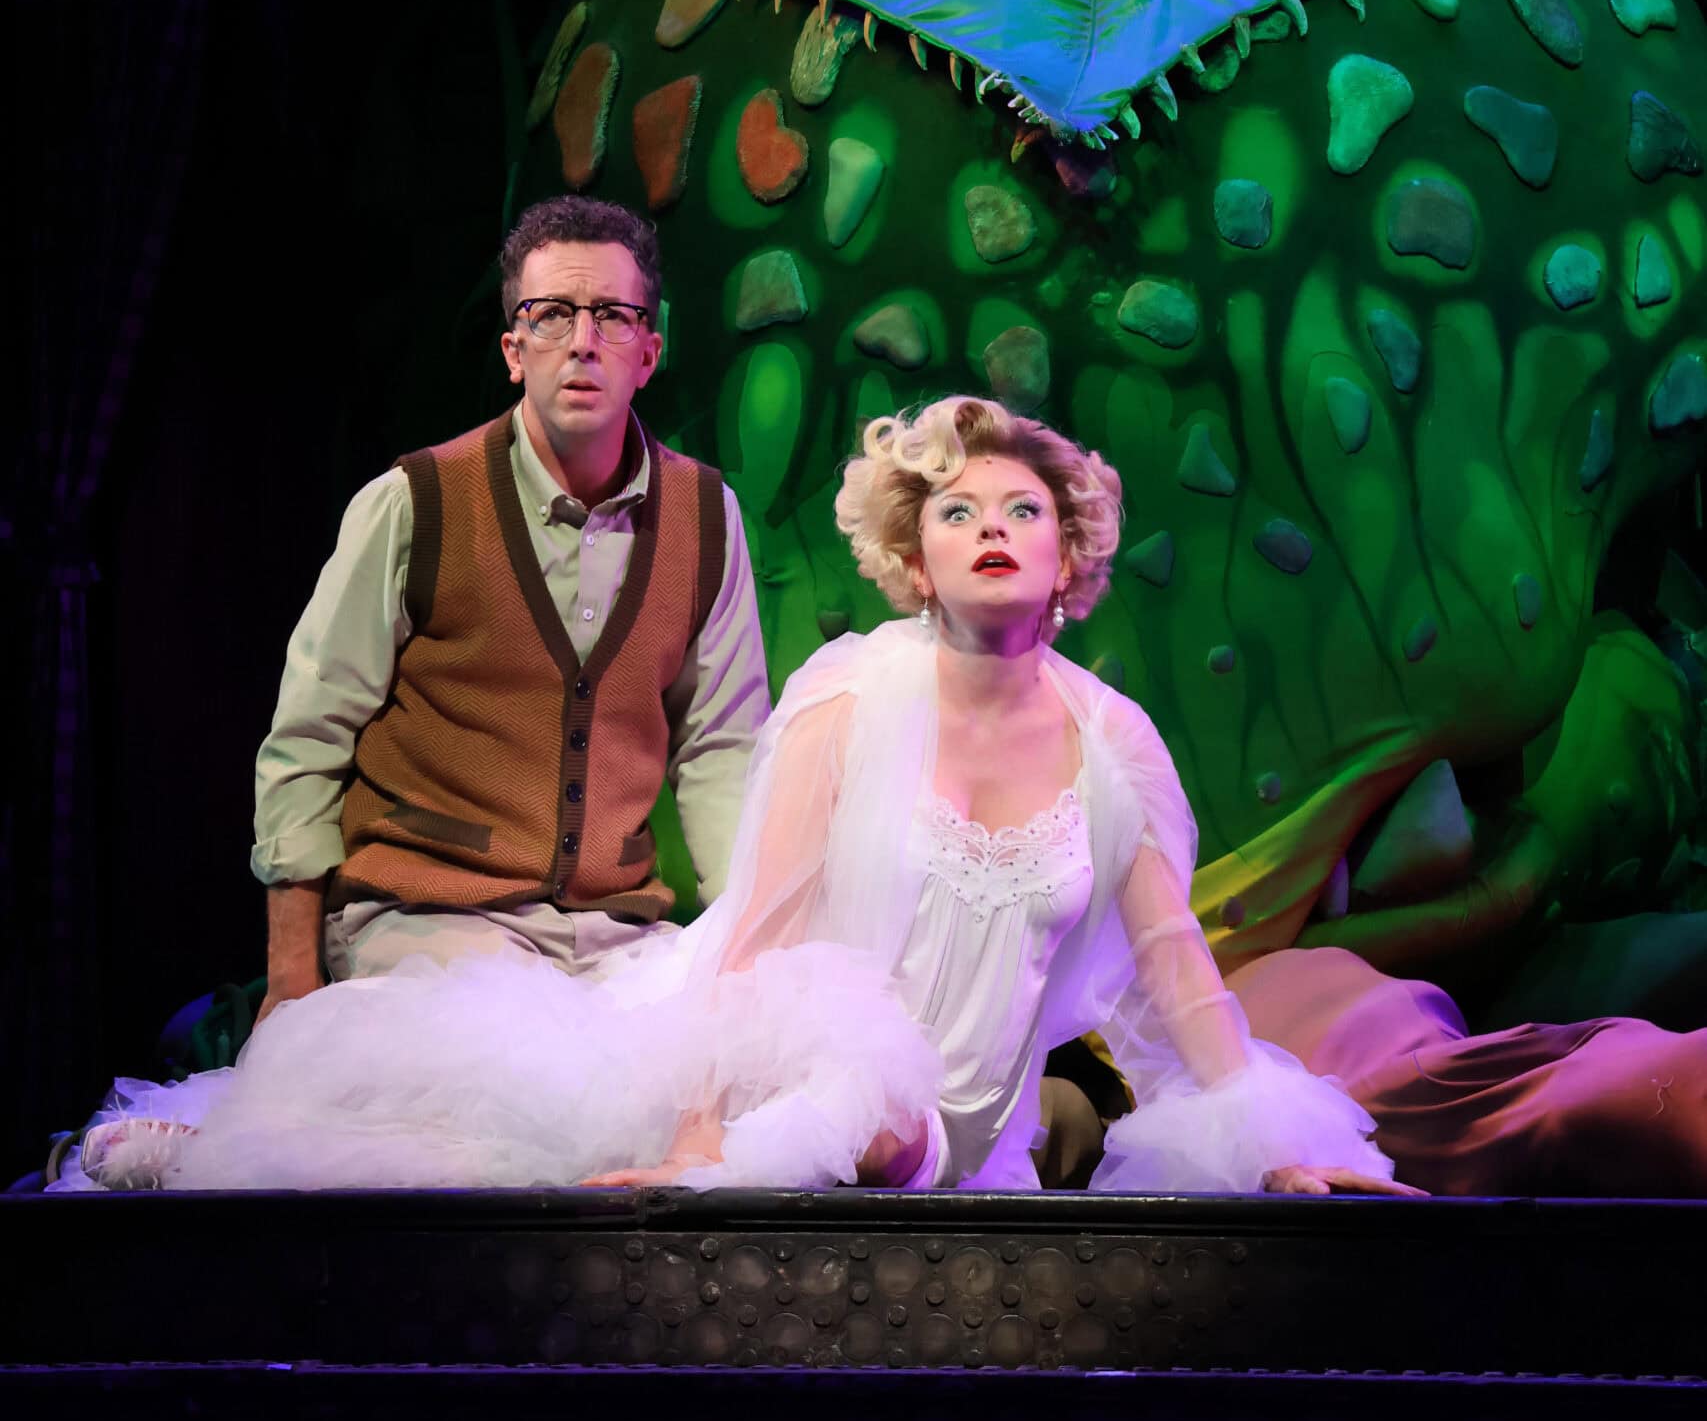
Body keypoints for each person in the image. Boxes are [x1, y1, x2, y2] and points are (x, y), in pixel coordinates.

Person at [73, 396, 1407, 1196]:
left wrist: (1266, 1147)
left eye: (1020, 510)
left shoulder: (1110, 743)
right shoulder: (851, 695)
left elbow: (1173, 975)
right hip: (789, 1068)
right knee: (500, 1144)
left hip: (965, 1130)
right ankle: (204, 1144)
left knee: (571, 1143)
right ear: (914, 557)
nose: (990, 530)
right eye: (955, 513)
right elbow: (762, 925)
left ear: (1069, 556)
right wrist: (702, 1133)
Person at [253, 193, 768, 1010]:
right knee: (517, 1063)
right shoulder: (416, 503)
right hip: (428, 916)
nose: (582, 342)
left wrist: (750, 949)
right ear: (513, 350)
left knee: (737, 1053)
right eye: (552, 314)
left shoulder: (706, 517)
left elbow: (722, 748)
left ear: (649, 353)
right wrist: (291, 976)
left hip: (610, 932)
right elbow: (309, 737)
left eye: (613, 316)